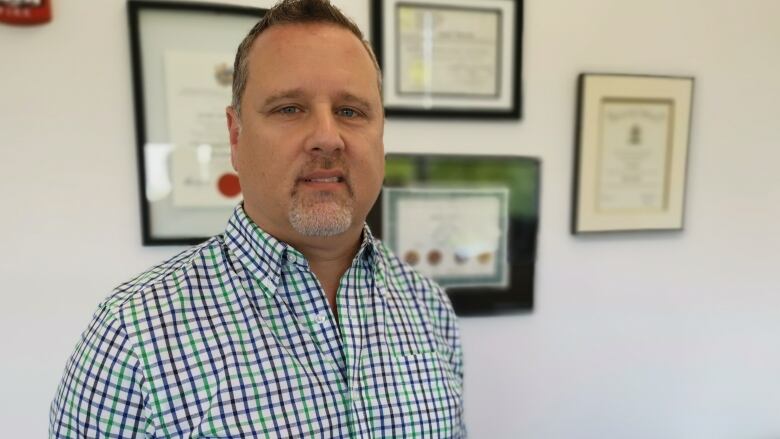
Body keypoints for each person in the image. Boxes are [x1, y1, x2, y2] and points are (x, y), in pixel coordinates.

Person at [49, 0, 464, 437]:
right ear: (235, 135)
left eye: (350, 111)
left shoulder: (428, 307)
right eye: (289, 108)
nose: (327, 137)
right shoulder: (133, 334)